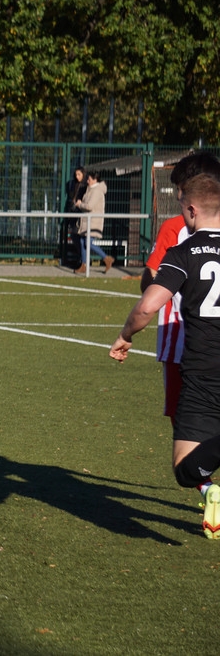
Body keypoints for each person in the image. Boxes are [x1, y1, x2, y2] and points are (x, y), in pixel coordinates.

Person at [110, 172, 220, 539]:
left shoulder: (184, 252)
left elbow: (147, 306)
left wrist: (126, 335)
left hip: (203, 374)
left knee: (186, 469)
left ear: (192, 210)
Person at [138, 151, 220, 498]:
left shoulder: (176, 228)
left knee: (183, 415)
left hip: (182, 337)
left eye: (178, 191)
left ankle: (206, 487)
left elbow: (151, 279)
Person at [74, 170, 113, 274]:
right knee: (82, 242)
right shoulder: (90, 189)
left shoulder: (97, 191)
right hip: (87, 221)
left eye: (89, 179)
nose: (87, 181)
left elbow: (89, 206)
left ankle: (106, 258)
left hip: (93, 222)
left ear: (95, 179)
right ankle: (84, 265)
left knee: (87, 242)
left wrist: (79, 204)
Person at [60, 166, 87, 268]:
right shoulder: (73, 184)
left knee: (81, 238)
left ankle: (83, 259)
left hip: (81, 213)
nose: (77, 176)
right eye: (76, 175)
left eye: (79, 174)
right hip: (73, 212)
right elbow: (71, 196)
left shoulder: (85, 186)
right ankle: (81, 257)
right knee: (74, 236)